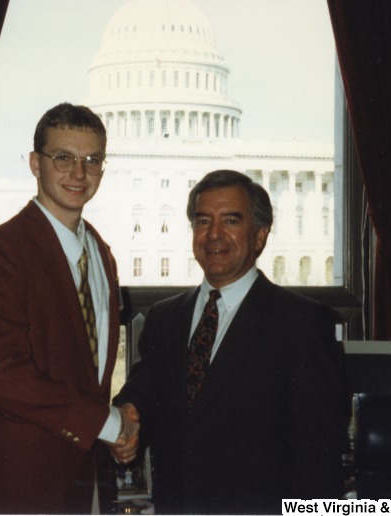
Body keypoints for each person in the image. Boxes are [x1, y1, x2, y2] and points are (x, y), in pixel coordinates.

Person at [111, 169, 348, 514]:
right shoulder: (164, 317)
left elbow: (318, 453)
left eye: (231, 221)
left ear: (260, 236)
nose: (214, 235)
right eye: (203, 221)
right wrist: (128, 414)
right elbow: (146, 391)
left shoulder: (302, 323)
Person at [0, 102, 138, 514]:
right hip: (15, 484)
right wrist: (106, 424)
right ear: (35, 163)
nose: (78, 174)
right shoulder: (2, 250)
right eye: (63, 158)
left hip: (80, 479)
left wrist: (111, 425)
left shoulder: (102, 254)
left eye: (92, 160)